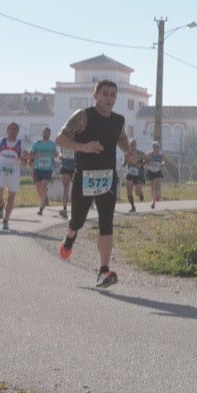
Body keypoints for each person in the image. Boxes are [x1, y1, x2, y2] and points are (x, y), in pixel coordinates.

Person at [55, 79, 132, 289]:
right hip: (85, 176)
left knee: (106, 224)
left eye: (113, 95)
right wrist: (83, 147)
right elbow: (60, 139)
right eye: (105, 94)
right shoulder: (83, 116)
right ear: (95, 95)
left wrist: (128, 150)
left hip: (107, 177)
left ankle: (104, 270)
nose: (109, 98)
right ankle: (70, 236)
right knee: (78, 220)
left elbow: (121, 138)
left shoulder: (118, 120)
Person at [0, 122, 27, 231]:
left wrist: (23, 164)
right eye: (10, 129)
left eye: (14, 129)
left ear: (17, 131)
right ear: (7, 131)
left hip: (13, 173)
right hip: (0, 172)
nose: (12, 130)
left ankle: (6, 220)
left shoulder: (21, 144)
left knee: (11, 197)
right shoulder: (0, 141)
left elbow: (24, 159)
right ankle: (1, 205)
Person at [31, 127, 58, 215]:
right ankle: (44, 197)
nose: (46, 134)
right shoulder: (37, 144)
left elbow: (56, 154)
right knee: (39, 188)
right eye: (44, 133)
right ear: (42, 133)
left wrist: (58, 154)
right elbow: (31, 154)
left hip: (48, 169)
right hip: (38, 168)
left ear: (50, 134)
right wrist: (31, 162)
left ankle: (41, 208)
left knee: (43, 187)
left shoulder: (52, 144)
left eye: (48, 133)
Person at [124, 139, 145, 213]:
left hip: (138, 174)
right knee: (129, 188)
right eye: (131, 145)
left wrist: (141, 164)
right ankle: (133, 207)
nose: (132, 146)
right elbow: (126, 161)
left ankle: (141, 194)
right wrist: (123, 164)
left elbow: (147, 160)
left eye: (133, 145)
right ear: (129, 145)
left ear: (136, 145)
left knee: (137, 192)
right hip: (130, 173)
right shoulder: (127, 153)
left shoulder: (140, 153)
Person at [146, 141, 166, 209]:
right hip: (151, 172)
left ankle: (153, 203)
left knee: (156, 185)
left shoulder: (161, 155)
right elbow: (144, 160)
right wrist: (147, 162)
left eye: (156, 147)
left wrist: (162, 164)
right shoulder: (149, 154)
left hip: (157, 172)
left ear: (158, 148)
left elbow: (166, 161)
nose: (154, 148)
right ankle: (158, 195)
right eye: (153, 147)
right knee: (152, 187)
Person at [57, 147, 76, 219]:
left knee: (76, 189)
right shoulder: (63, 140)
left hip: (75, 167)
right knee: (65, 188)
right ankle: (64, 209)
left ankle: (76, 210)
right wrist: (60, 155)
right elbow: (61, 152)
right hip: (65, 167)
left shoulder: (77, 139)